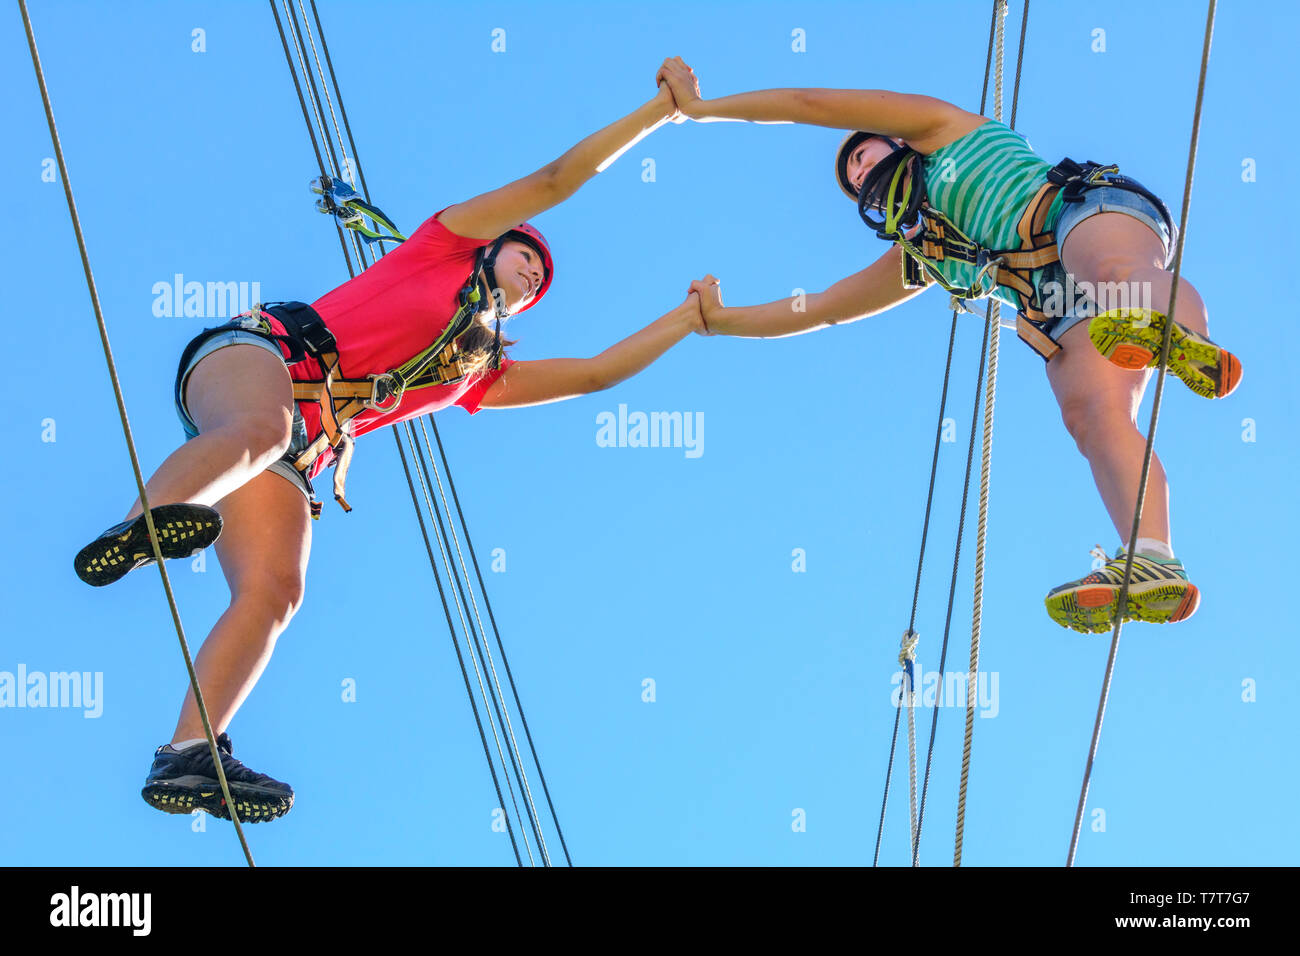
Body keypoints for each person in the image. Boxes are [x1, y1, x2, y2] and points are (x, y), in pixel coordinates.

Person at [72, 78, 705, 823]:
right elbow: (554, 181)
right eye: (526, 256)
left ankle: (187, 752)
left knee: (277, 591)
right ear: (495, 244)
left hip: (294, 449)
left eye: (539, 285)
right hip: (255, 357)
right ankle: (143, 523)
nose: (534, 274)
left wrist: (687, 320)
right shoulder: (443, 245)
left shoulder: (477, 374)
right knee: (262, 430)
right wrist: (661, 112)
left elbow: (597, 373)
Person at [655, 56, 1241, 637]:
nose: (859, 174)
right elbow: (822, 308)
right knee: (1091, 417)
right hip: (1058, 308)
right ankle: (1152, 555)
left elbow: (810, 105)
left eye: (861, 156)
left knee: (1113, 270)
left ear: (895, 140)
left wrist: (704, 110)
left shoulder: (943, 129)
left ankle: (1182, 338)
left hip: (1081, 213)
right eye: (852, 181)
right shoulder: (921, 257)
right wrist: (720, 321)